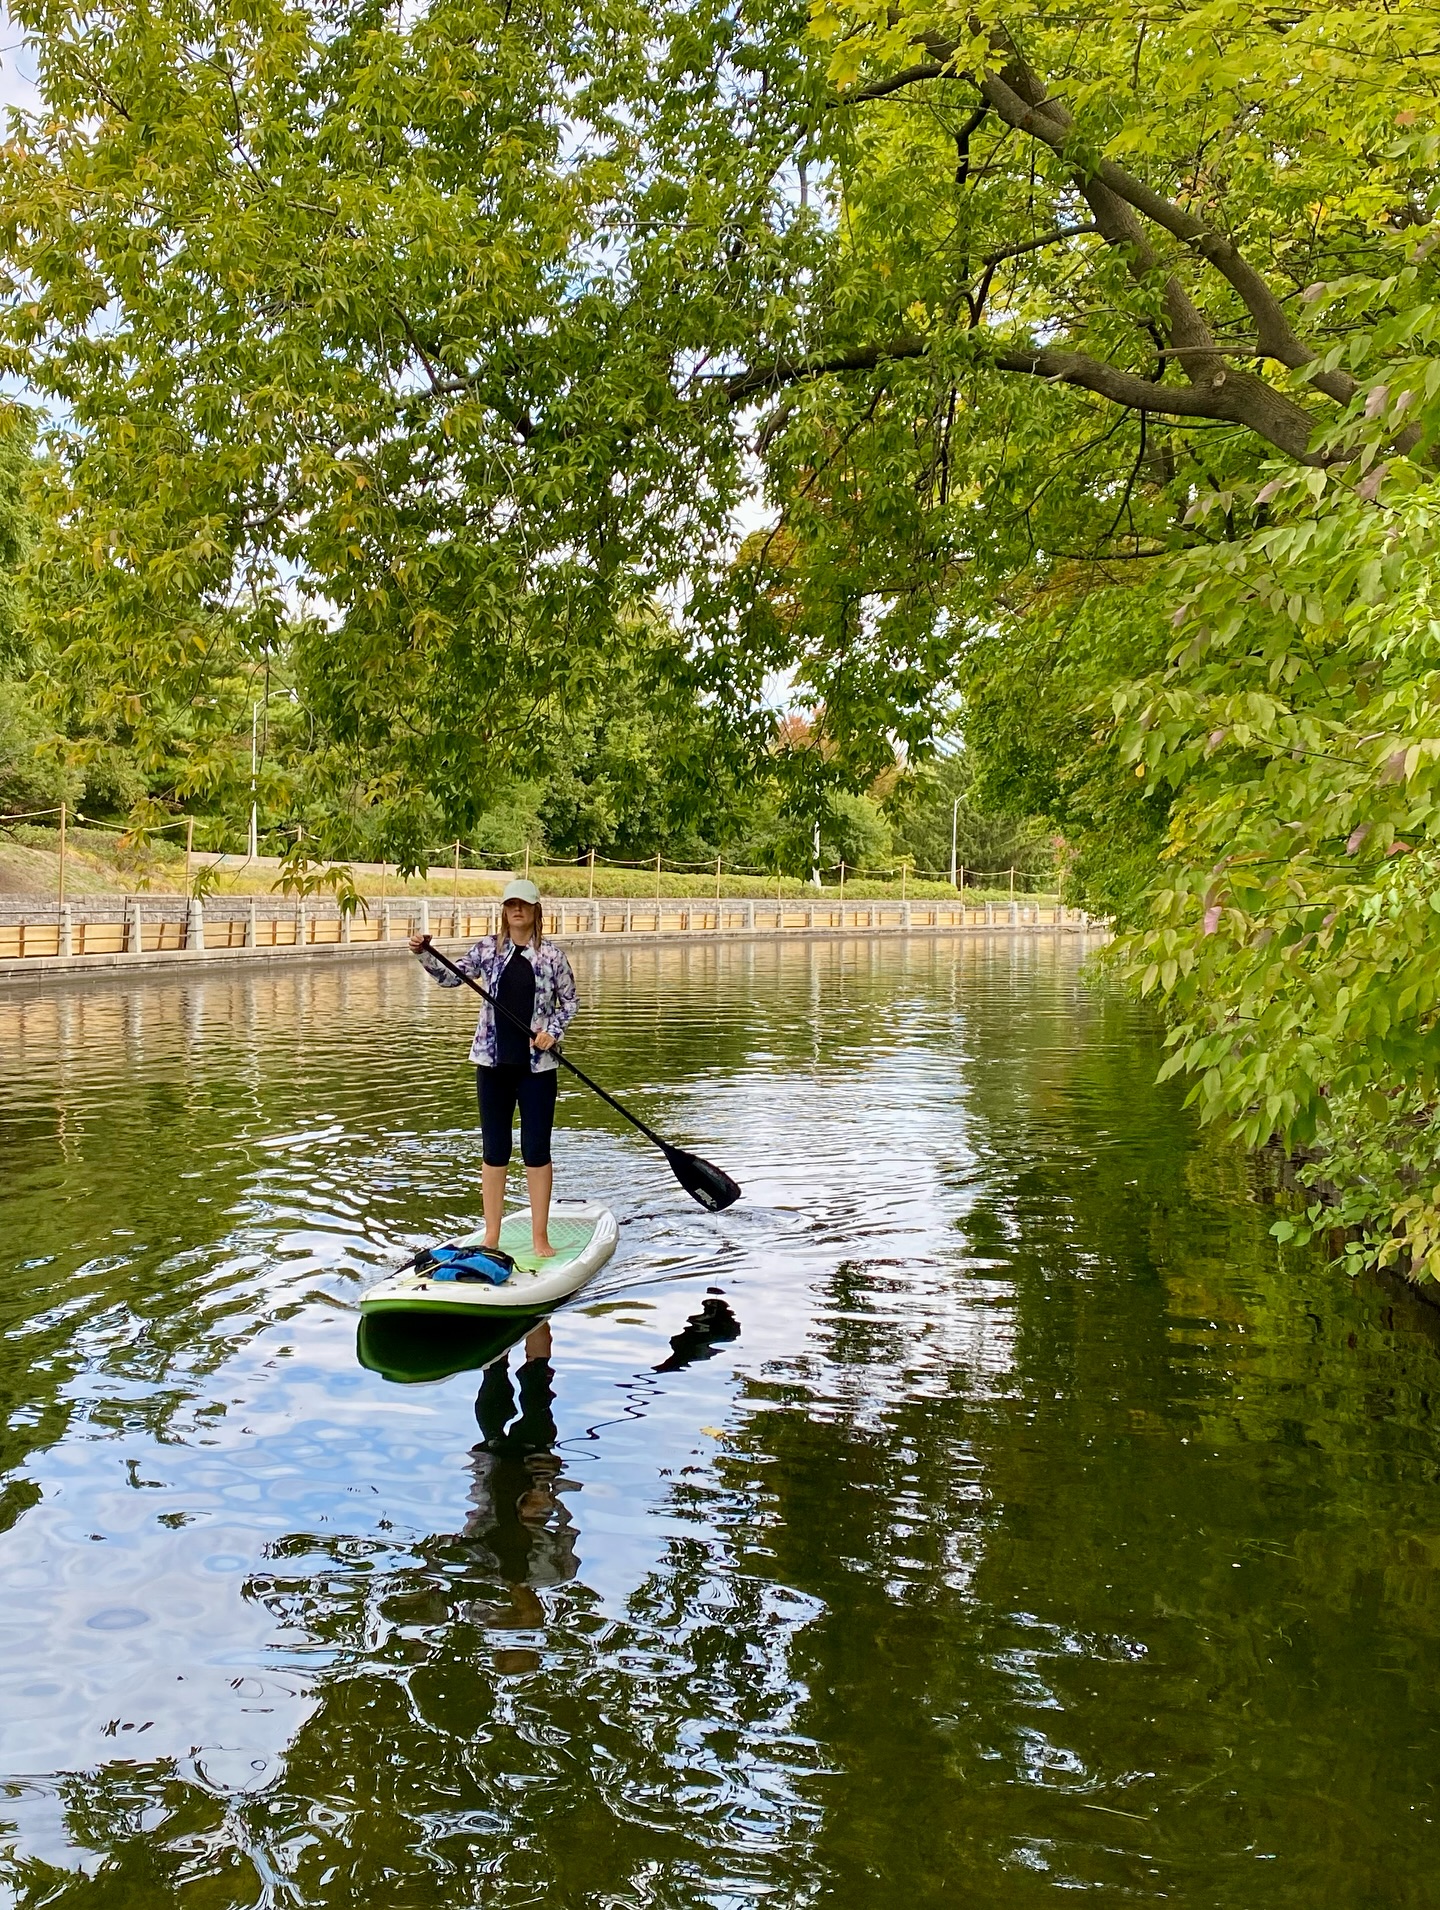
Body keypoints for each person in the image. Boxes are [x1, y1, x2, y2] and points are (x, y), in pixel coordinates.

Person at [410, 878, 578, 1258]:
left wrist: (552, 1031)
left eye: (524, 904)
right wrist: (424, 953)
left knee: (536, 1150)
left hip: (537, 1068)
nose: (516, 909)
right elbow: (452, 976)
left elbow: (569, 1002)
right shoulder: (488, 949)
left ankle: (540, 1238)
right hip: (492, 1064)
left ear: (536, 910)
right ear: (504, 910)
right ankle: (491, 1235)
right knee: (494, 1150)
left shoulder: (552, 957)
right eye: (510, 904)